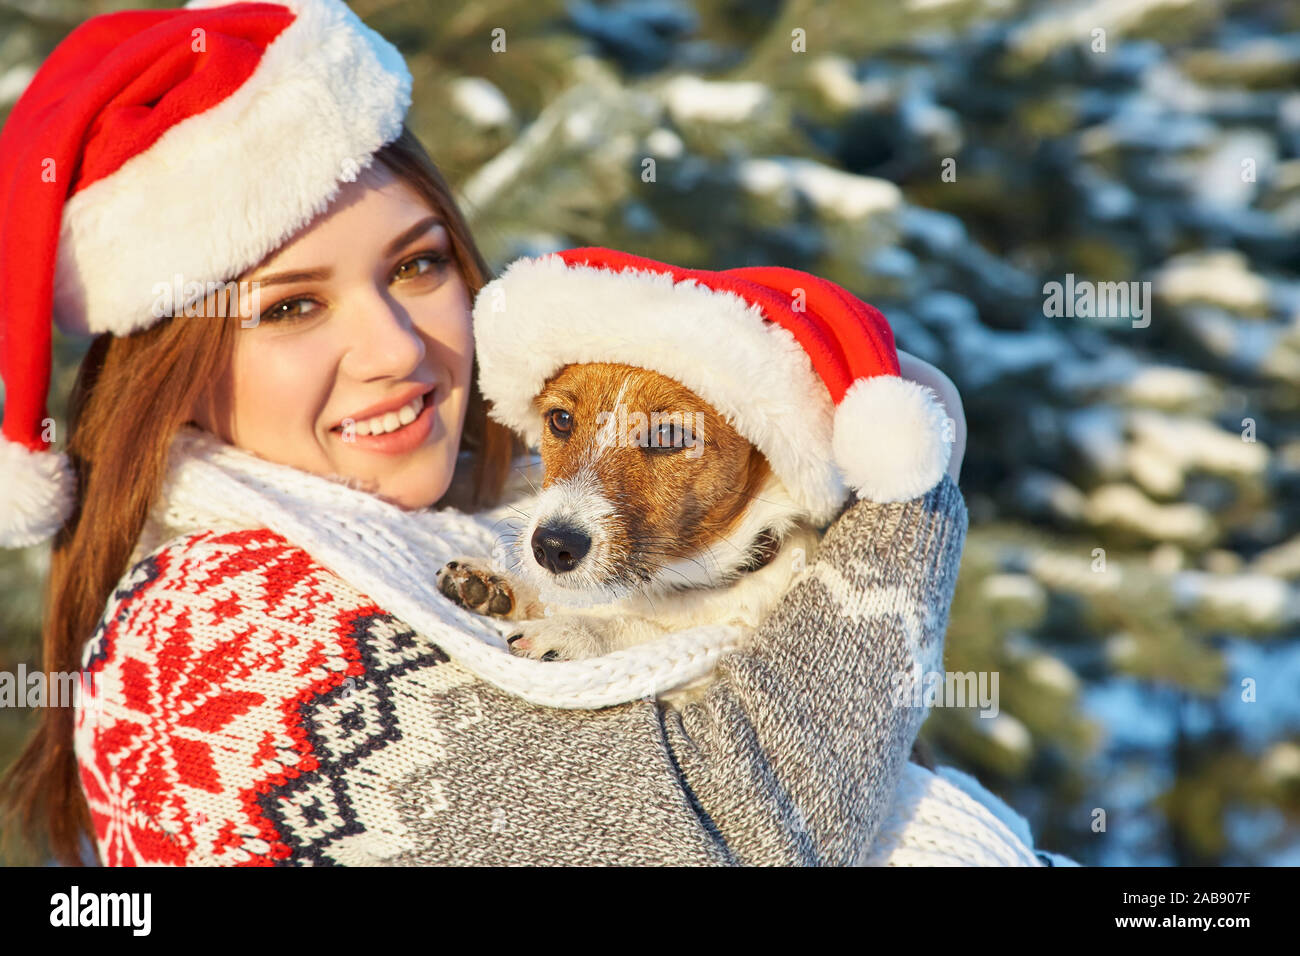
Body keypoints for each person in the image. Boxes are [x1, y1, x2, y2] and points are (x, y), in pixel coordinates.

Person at [0, 0, 1057, 866]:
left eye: (416, 265)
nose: (396, 346)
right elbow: (723, 825)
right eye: (290, 307)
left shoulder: (483, 521)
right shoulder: (204, 647)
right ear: (167, 370)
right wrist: (902, 498)